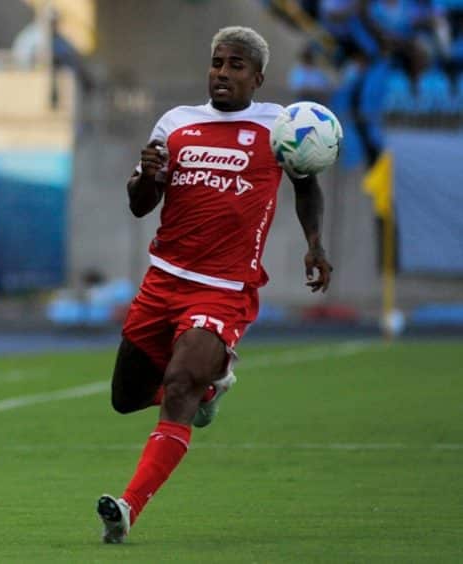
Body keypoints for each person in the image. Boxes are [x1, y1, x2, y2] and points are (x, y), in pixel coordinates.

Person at [96, 27, 333, 544]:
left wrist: (314, 243)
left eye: (235, 65)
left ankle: (127, 507)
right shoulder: (176, 124)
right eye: (217, 62)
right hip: (162, 281)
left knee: (178, 386)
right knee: (124, 396)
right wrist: (147, 178)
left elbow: (306, 184)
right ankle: (211, 386)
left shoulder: (279, 126)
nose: (222, 72)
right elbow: (140, 204)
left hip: (222, 289)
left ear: (258, 77)